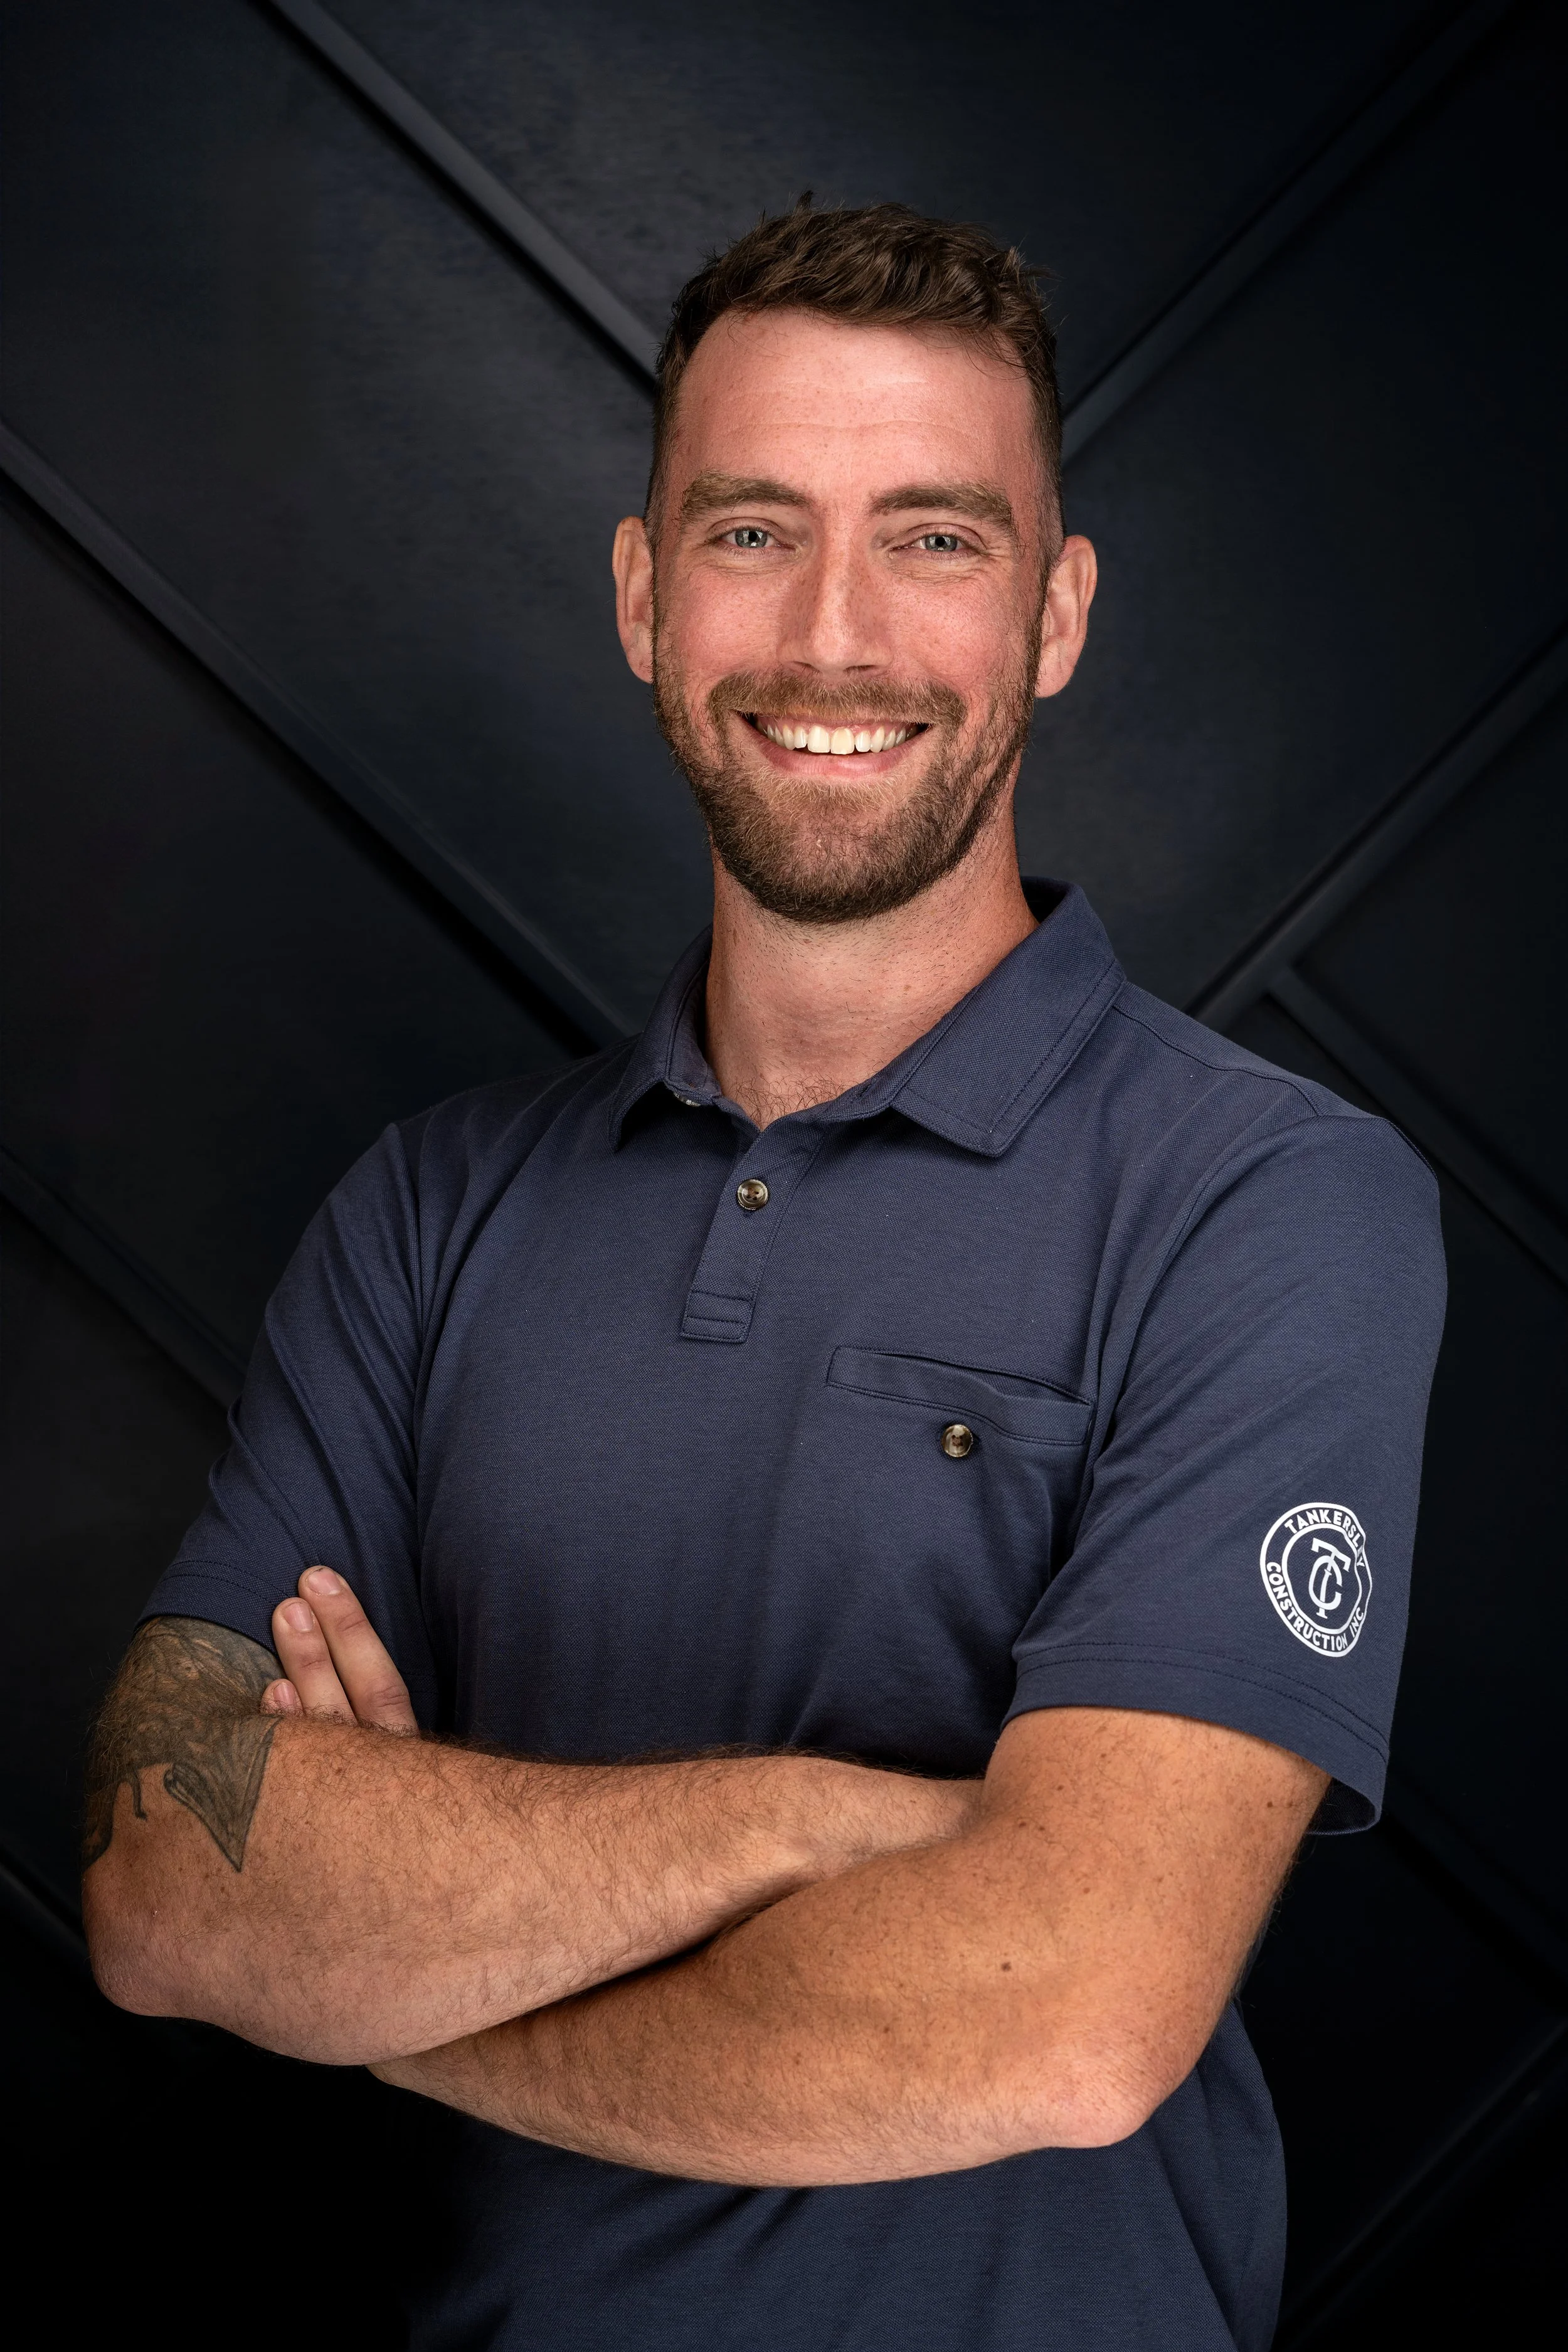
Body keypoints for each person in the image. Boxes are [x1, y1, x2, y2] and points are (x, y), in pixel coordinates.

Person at [82, 202, 1445, 2351]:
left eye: (933, 539)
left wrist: (394, 1986)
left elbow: (1069, 2012)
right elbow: (168, 1872)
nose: (833, 635)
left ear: (1054, 613)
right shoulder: (431, 1209)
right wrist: (810, 1823)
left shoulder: (1268, 1202)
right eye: (749, 532)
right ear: (643, 594)